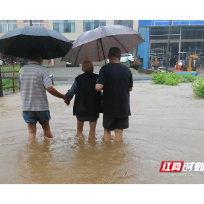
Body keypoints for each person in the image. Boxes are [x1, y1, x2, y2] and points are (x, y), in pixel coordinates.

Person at [18, 47, 68, 141]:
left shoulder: (21, 71)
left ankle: (32, 154)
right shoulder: (42, 70)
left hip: (27, 107)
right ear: (39, 58)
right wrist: (63, 96)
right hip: (41, 107)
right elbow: (49, 89)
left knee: (31, 132)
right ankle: (47, 152)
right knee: (46, 130)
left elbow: (20, 87)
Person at [95, 47, 133, 142]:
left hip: (109, 105)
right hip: (123, 105)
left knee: (107, 130)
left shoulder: (104, 69)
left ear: (108, 57)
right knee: (119, 131)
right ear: (120, 57)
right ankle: (117, 155)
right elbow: (130, 88)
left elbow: (98, 87)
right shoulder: (127, 70)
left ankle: (108, 153)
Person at [65, 60, 102, 139]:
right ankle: (92, 149)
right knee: (92, 134)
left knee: (79, 132)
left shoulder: (78, 79)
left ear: (82, 69)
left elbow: (72, 91)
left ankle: (80, 149)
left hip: (80, 108)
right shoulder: (97, 78)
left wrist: (67, 98)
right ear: (92, 68)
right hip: (94, 108)